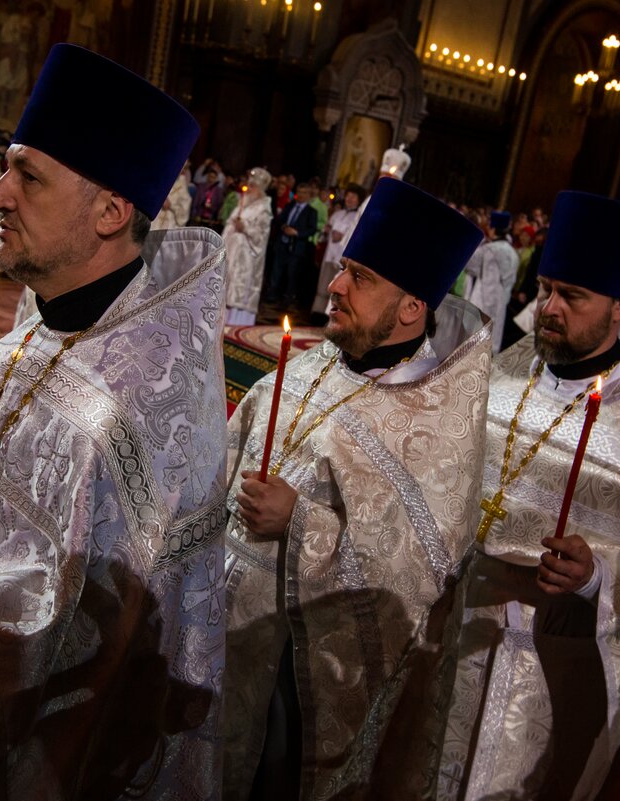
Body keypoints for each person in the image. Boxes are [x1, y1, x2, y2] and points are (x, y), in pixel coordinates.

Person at [0, 44, 226, 800]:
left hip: (26, 741)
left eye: (28, 176)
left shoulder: (148, 402)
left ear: (111, 211)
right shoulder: (25, 339)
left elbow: (132, 635)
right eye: (7, 169)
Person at [222, 177, 487, 800]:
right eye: (343, 269)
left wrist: (301, 523)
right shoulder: (312, 365)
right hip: (222, 630)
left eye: (359, 277)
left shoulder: (438, 421)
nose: (336, 286)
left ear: (412, 308)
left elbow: (419, 572)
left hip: (301, 670)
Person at [442, 191, 620, 801]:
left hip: (546, 657)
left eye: (572, 296)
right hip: (453, 631)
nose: (549, 309)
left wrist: (595, 578)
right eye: (545, 290)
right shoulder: (501, 379)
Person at [222, 168, 274, 325]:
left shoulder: (264, 209)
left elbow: (261, 236)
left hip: (247, 257)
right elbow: (230, 223)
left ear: (260, 189)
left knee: (240, 288)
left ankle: (237, 323)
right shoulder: (243, 202)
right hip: (232, 253)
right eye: (248, 185)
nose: (248, 189)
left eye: (253, 186)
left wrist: (245, 228)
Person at [465, 210, 519, 353]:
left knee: (473, 346)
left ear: (493, 228)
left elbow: (470, 265)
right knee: (491, 344)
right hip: (500, 304)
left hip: (483, 303)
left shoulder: (490, 251)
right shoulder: (512, 252)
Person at [310, 184, 362, 320]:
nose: (349, 199)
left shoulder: (358, 217)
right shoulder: (338, 214)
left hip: (342, 258)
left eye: (353, 196)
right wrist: (326, 230)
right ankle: (317, 313)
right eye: (348, 196)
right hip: (329, 255)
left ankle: (331, 316)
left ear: (359, 199)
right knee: (323, 283)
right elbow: (327, 229)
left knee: (338, 286)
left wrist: (343, 235)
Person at [265, 187, 317, 314]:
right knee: (276, 271)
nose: (301, 195)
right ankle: (271, 296)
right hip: (282, 243)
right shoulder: (289, 206)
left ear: (309, 195)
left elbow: (312, 229)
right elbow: (279, 220)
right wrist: (284, 227)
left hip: (297, 247)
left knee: (292, 274)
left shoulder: (311, 211)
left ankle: (287, 299)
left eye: (304, 192)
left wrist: (297, 233)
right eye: (299, 192)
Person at [151, 164, 192, 230]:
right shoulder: (159, 178)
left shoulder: (182, 184)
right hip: (154, 222)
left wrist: (171, 205)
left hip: (170, 224)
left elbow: (184, 214)